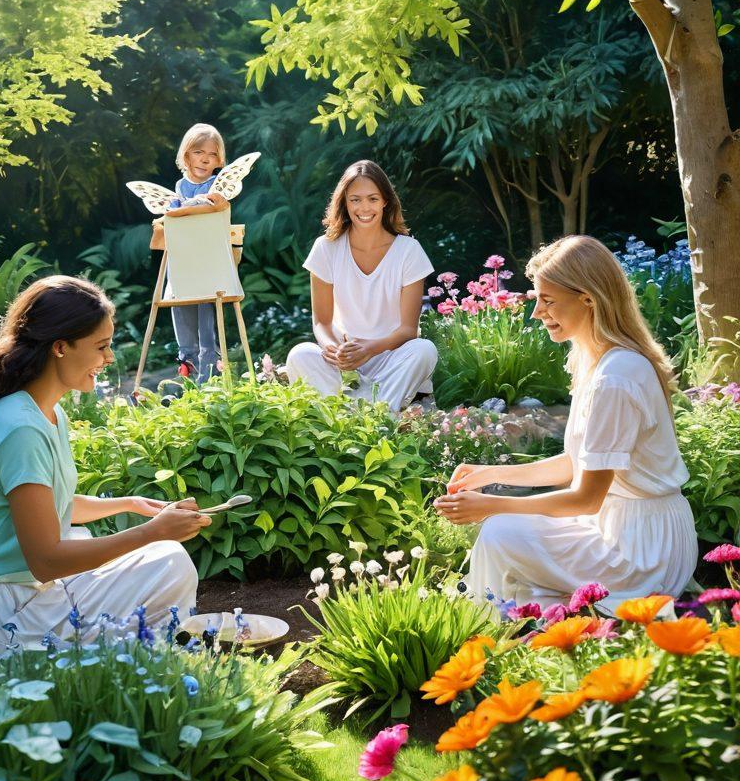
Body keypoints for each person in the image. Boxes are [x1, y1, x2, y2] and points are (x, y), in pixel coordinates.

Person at [0, 276, 211, 652]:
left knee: (164, 560)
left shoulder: (44, 412)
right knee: (166, 561)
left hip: (21, 593)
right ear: (60, 347)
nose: (109, 358)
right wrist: (152, 532)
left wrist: (130, 504)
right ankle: (144, 669)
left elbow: (47, 507)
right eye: (101, 347)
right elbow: (46, 560)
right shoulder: (20, 427)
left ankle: (140, 664)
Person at [434, 235, 697, 613]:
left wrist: (491, 506)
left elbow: (586, 498)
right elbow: (577, 464)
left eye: (549, 300)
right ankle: (498, 618)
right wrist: (488, 473)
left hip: (642, 550)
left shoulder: (616, 376)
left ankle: (483, 629)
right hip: (621, 528)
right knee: (513, 556)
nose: (537, 312)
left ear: (588, 298)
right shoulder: (595, 360)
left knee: (500, 532)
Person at [286, 160, 437, 411]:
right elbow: (321, 323)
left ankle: (368, 415)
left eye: (373, 199)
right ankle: (373, 410)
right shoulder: (326, 248)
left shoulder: (409, 251)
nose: (364, 207)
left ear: (385, 201)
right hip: (343, 361)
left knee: (424, 350)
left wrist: (368, 348)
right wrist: (335, 350)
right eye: (355, 199)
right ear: (344, 202)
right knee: (300, 354)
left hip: (389, 357)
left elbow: (408, 330)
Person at [167, 123, 229, 383]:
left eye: (212, 154)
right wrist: (172, 213)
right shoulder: (180, 186)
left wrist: (185, 210)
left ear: (219, 160)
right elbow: (169, 216)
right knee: (182, 314)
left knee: (206, 320)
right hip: (183, 261)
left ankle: (210, 378)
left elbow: (216, 210)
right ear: (186, 156)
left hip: (208, 260)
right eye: (198, 152)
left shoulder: (218, 185)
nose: (205, 158)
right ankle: (188, 379)